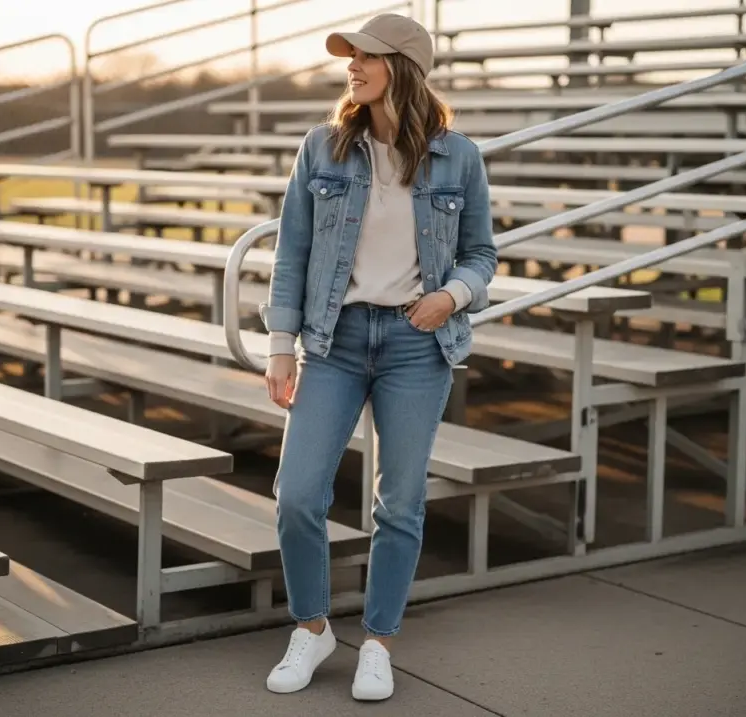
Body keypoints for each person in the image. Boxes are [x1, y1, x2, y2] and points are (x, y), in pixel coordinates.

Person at [259, 12, 497, 702]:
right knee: (298, 494)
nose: (351, 67)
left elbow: (483, 255)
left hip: (415, 346)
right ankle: (312, 626)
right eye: (349, 59)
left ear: (402, 66)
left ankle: (379, 641)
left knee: (400, 502)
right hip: (334, 341)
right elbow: (292, 254)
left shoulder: (461, 157)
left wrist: (451, 295)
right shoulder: (322, 149)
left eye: (365, 56)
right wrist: (281, 345)